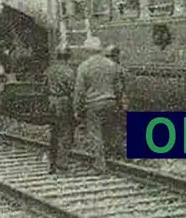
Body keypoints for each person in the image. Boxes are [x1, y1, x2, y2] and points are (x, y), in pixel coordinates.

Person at [73, 43, 127, 173]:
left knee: (96, 134)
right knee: (110, 131)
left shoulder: (84, 66)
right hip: (110, 102)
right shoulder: (111, 65)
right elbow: (119, 88)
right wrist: (119, 103)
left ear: (87, 51)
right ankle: (116, 161)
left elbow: (80, 91)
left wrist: (77, 108)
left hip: (93, 104)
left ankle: (99, 165)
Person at [44, 44, 76, 174]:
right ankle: (62, 164)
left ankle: (51, 163)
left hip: (51, 101)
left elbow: (44, 87)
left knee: (54, 133)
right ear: (68, 57)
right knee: (66, 133)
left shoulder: (50, 69)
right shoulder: (69, 71)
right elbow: (73, 90)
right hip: (64, 102)